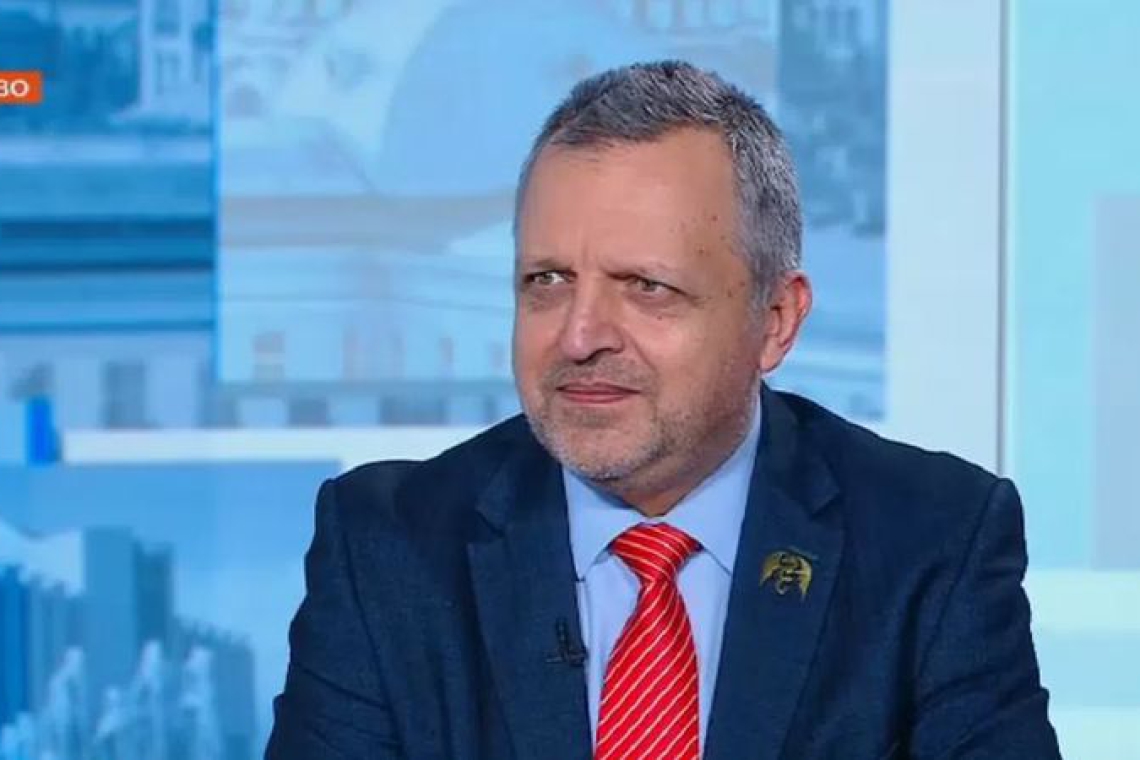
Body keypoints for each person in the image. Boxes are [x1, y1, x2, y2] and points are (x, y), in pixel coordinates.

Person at [266, 61, 1061, 760]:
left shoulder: (932, 542)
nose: (579, 336)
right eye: (547, 281)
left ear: (775, 321)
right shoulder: (390, 548)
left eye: (646, 287)